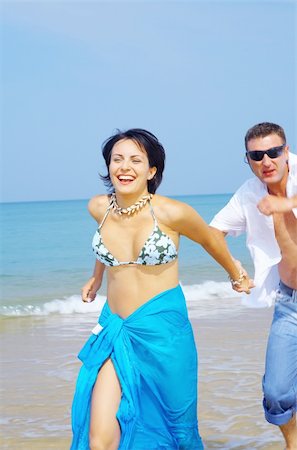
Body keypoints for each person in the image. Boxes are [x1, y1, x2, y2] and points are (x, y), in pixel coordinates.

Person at [70, 128, 251, 450]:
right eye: (117, 159)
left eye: (136, 160)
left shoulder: (172, 212)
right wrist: (96, 277)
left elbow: (211, 240)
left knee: (174, 428)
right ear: (108, 166)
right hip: (116, 327)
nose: (125, 167)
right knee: (100, 439)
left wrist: (236, 273)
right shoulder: (98, 207)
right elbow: (106, 243)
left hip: (163, 330)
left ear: (151, 170)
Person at [210, 122, 297, 449]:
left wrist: (286, 204)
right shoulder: (249, 193)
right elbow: (212, 232)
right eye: (257, 155)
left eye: (274, 152)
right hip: (290, 304)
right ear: (247, 159)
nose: (267, 161)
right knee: (276, 393)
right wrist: (234, 269)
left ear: (286, 151)